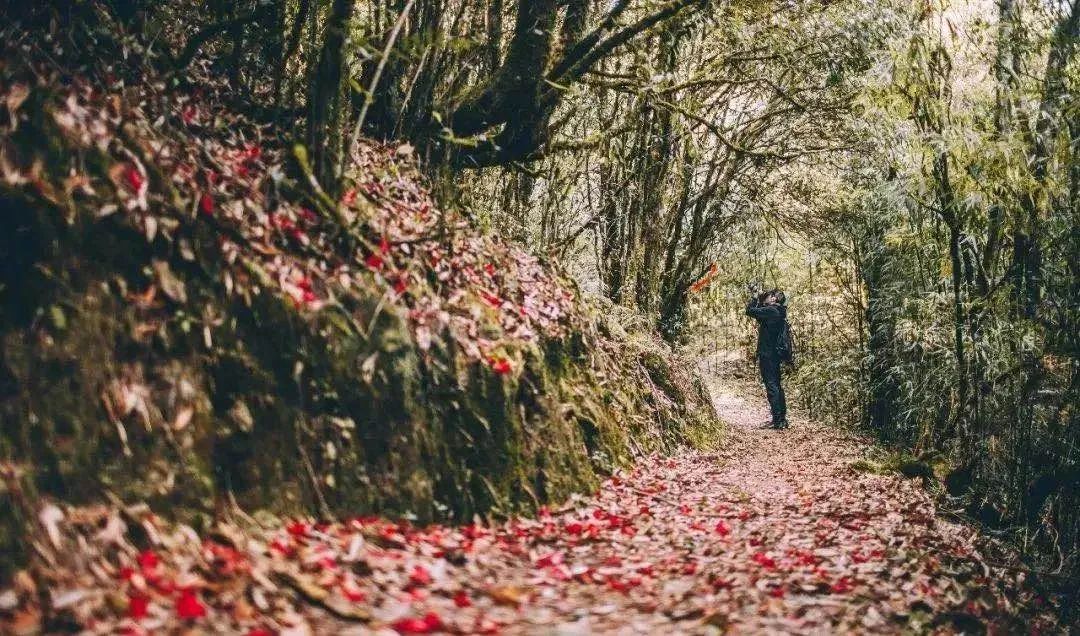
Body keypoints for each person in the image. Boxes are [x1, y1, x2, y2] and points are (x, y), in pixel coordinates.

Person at [745, 289, 788, 429]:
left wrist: (754, 297)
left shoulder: (771, 311)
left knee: (772, 385)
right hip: (775, 355)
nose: (766, 298)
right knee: (777, 385)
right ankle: (781, 419)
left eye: (770, 296)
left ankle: (777, 421)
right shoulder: (778, 311)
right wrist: (760, 301)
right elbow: (758, 315)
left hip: (767, 354)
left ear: (774, 299)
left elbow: (750, 311)